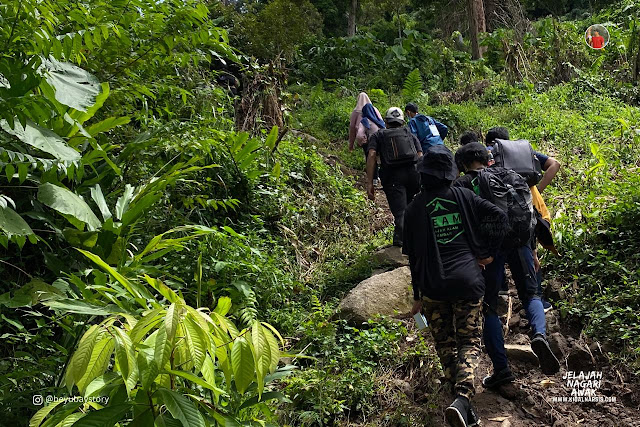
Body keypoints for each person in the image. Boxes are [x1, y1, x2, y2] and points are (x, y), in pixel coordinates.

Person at [404, 145, 509, 427]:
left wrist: (417, 296)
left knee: (446, 345)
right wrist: (487, 252)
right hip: (468, 280)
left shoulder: (414, 207)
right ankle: (463, 400)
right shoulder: (463, 196)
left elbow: (413, 257)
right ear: (450, 172)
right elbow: (500, 217)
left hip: (432, 285)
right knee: (468, 341)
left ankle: (463, 406)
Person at [454, 143, 560, 389]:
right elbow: (529, 213)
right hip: (521, 243)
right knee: (531, 293)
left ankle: (502, 371)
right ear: (488, 158)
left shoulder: (462, 186)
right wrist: (532, 249)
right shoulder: (511, 176)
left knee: (489, 307)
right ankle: (539, 335)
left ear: (462, 164)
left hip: (489, 252)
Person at [485, 127, 560, 309]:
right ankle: (538, 300)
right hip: (535, 208)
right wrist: (537, 190)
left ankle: (503, 290)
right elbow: (555, 164)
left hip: (511, 214)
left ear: (491, 144)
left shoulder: (489, 155)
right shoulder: (524, 153)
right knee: (531, 251)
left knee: (505, 247)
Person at [366, 107, 422, 247]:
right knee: (411, 207)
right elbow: (420, 155)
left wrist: (370, 183)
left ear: (386, 121)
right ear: (402, 122)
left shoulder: (378, 135)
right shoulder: (409, 134)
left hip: (393, 178)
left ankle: (404, 246)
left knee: (400, 212)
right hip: (414, 174)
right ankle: (404, 239)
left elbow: (372, 155)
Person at [349, 92, 385, 187]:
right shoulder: (374, 109)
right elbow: (381, 123)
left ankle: (373, 178)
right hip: (379, 138)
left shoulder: (358, 113)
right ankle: (378, 177)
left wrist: (352, 144)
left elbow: (353, 128)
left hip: (367, 139)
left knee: (370, 157)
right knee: (378, 157)